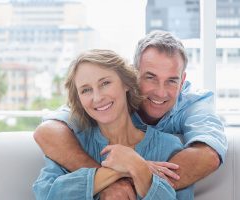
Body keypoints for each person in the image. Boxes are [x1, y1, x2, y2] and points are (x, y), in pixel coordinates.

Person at [34, 30, 228, 199]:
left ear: (125, 83)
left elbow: (208, 154)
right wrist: (112, 175)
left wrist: (137, 167)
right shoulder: (75, 142)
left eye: (105, 83)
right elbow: (45, 189)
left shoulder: (172, 141)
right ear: (134, 76)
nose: (97, 97)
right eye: (151, 77)